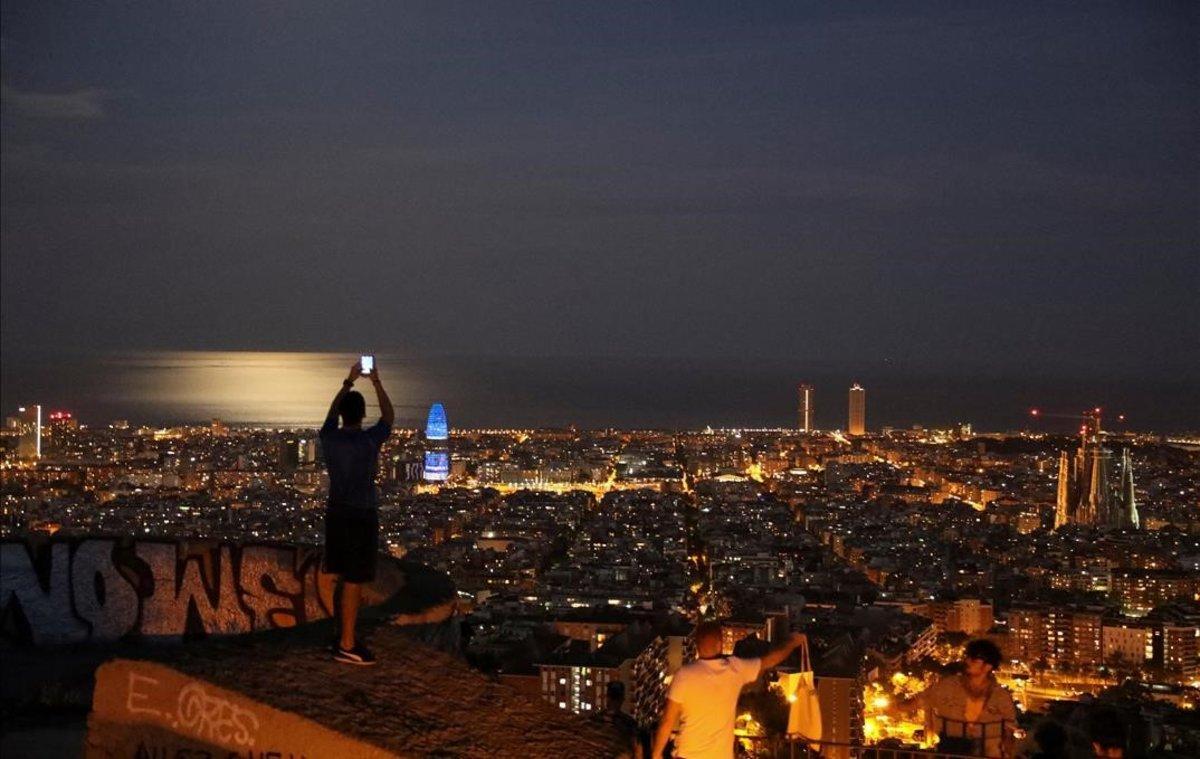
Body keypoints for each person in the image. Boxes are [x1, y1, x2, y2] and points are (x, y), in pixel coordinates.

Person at [319, 359, 393, 665]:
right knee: (354, 579)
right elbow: (388, 417)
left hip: (336, 514)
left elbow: (329, 418)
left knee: (340, 577)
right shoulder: (368, 441)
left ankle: (341, 636)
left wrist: (348, 382)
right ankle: (347, 644)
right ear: (362, 415)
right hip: (361, 515)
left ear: (341, 416)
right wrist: (376, 381)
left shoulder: (330, 438)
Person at [651, 622, 808, 759]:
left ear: (697, 645)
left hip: (687, 754)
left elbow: (667, 721)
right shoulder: (734, 669)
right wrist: (793, 642)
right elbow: (771, 659)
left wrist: (656, 754)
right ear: (720, 644)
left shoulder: (683, 675)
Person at [923, 639, 1018, 758]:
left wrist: (1007, 749)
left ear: (987, 667)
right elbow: (922, 699)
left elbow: (1009, 727)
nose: (968, 661)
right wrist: (896, 708)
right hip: (951, 752)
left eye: (974, 660)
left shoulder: (1000, 696)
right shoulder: (948, 686)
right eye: (968, 657)